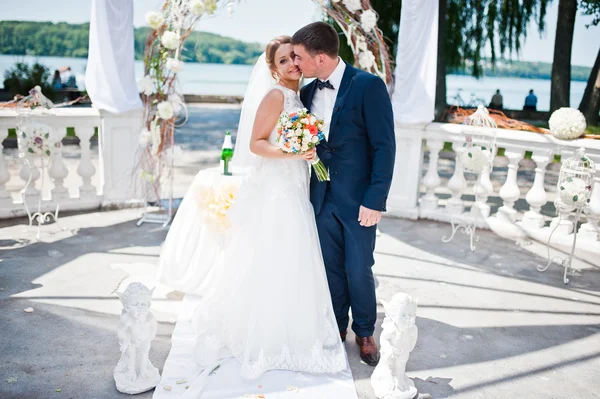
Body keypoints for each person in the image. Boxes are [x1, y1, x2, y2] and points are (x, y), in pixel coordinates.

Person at [173, 35, 347, 385]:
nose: (292, 65)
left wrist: (307, 151)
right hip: (276, 192)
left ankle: (293, 328)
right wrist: (295, 152)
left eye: (295, 58)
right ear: (272, 69)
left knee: (295, 260)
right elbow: (255, 144)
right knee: (274, 258)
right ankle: (265, 334)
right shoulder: (275, 96)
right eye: (283, 61)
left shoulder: (299, 96)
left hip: (296, 188)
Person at [292, 22, 396, 367]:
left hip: (359, 201)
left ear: (320, 58)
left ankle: (364, 331)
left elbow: (384, 146)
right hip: (320, 197)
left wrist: (375, 199)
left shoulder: (368, 86)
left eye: (300, 57)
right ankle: (336, 325)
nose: (296, 63)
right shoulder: (306, 94)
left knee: (359, 267)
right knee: (330, 268)